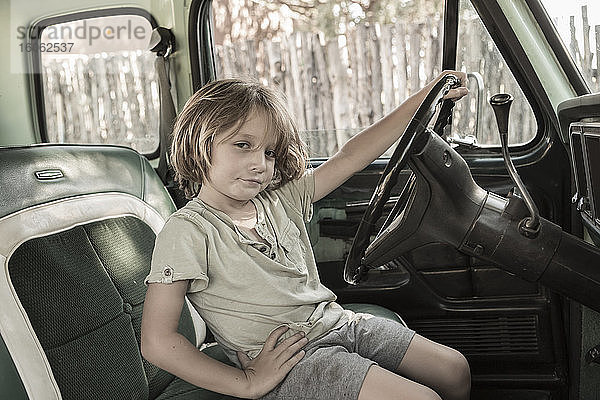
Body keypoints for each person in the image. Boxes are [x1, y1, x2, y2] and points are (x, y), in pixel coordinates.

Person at [141, 73, 470, 400]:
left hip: (337, 323)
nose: (259, 163)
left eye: (269, 153)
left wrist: (428, 96)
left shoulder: (280, 198)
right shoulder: (188, 230)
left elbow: (351, 157)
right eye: (243, 145)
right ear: (199, 144)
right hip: (290, 360)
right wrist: (247, 383)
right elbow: (157, 342)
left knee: (454, 369)